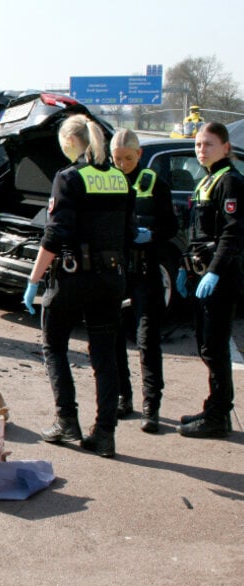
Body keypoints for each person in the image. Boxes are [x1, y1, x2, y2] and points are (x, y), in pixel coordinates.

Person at [24, 114, 135, 458]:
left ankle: (66, 419)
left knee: (53, 344)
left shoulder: (68, 177)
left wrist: (34, 279)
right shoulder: (119, 178)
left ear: (71, 142)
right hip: (111, 279)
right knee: (105, 357)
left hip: (74, 278)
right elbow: (128, 233)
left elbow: (55, 235)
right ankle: (104, 434)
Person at [174, 122, 243, 438]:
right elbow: (197, 233)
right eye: (199, 145)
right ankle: (214, 407)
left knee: (215, 348)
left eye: (209, 144)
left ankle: (218, 417)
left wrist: (214, 271)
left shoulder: (230, 181)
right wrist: (184, 266)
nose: (201, 150)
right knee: (206, 346)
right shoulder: (209, 179)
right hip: (201, 272)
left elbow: (232, 232)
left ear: (226, 147)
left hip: (222, 276)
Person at [110, 128, 178, 433]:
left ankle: (152, 406)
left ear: (139, 155)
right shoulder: (106, 180)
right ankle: (124, 397)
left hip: (146, 270)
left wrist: (151, 235)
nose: (122, 163)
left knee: (147, 339)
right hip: (117, 270)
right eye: (117, 158)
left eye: (127, 157)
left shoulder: (154, 183)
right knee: (113, 337)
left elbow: (171, 227)